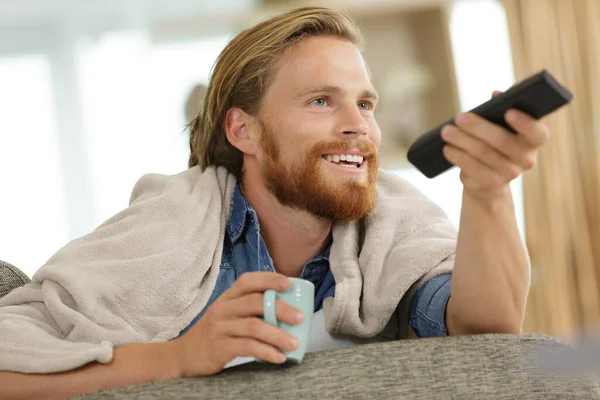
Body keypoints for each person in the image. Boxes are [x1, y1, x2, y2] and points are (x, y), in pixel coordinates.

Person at [0, 7, 549, 400]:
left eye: (364, 102)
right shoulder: (167, 229)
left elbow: (487, 334)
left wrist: (487, 190)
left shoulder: (397, 225)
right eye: (320, 101)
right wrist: (180, 359)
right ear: (245, 131)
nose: (358, 124)